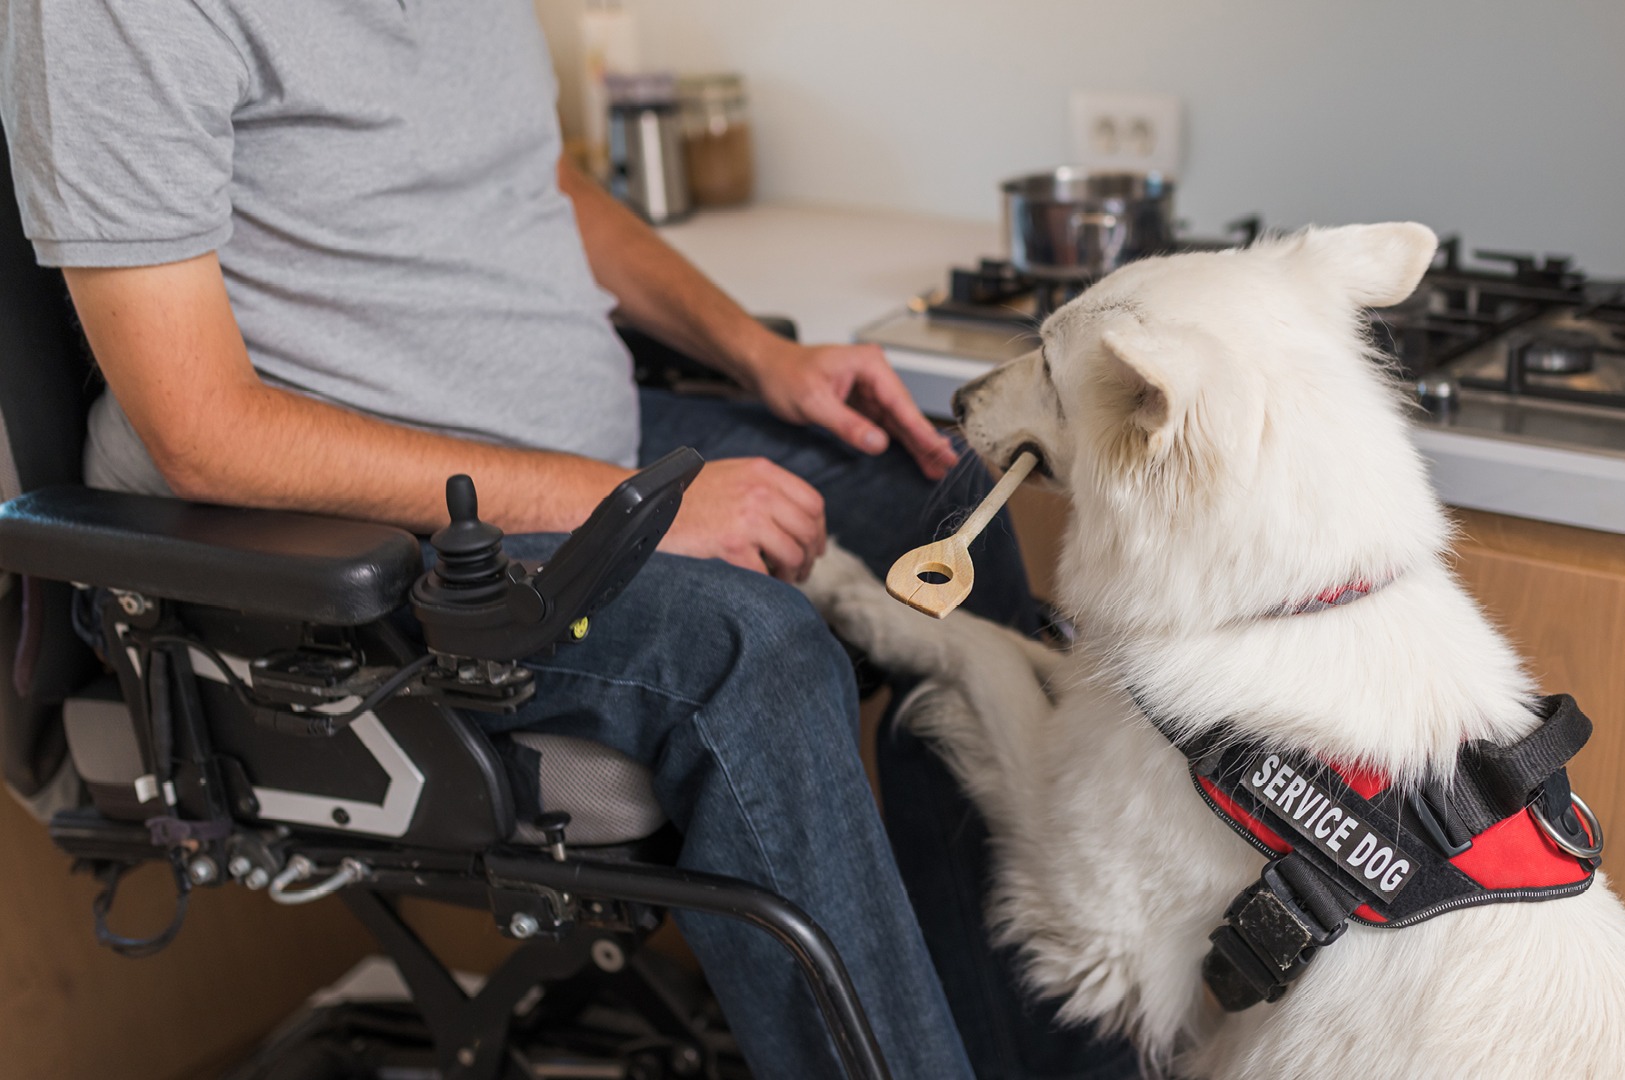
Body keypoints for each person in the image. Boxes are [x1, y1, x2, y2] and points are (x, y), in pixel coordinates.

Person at [0, 2, 1141, 1078]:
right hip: (341, 545)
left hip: (572, 450)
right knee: (756, 649)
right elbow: (202, 431)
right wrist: (620, 499)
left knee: (944, 497)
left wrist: (756, 353)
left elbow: (535, 179)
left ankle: (1023, 1051)